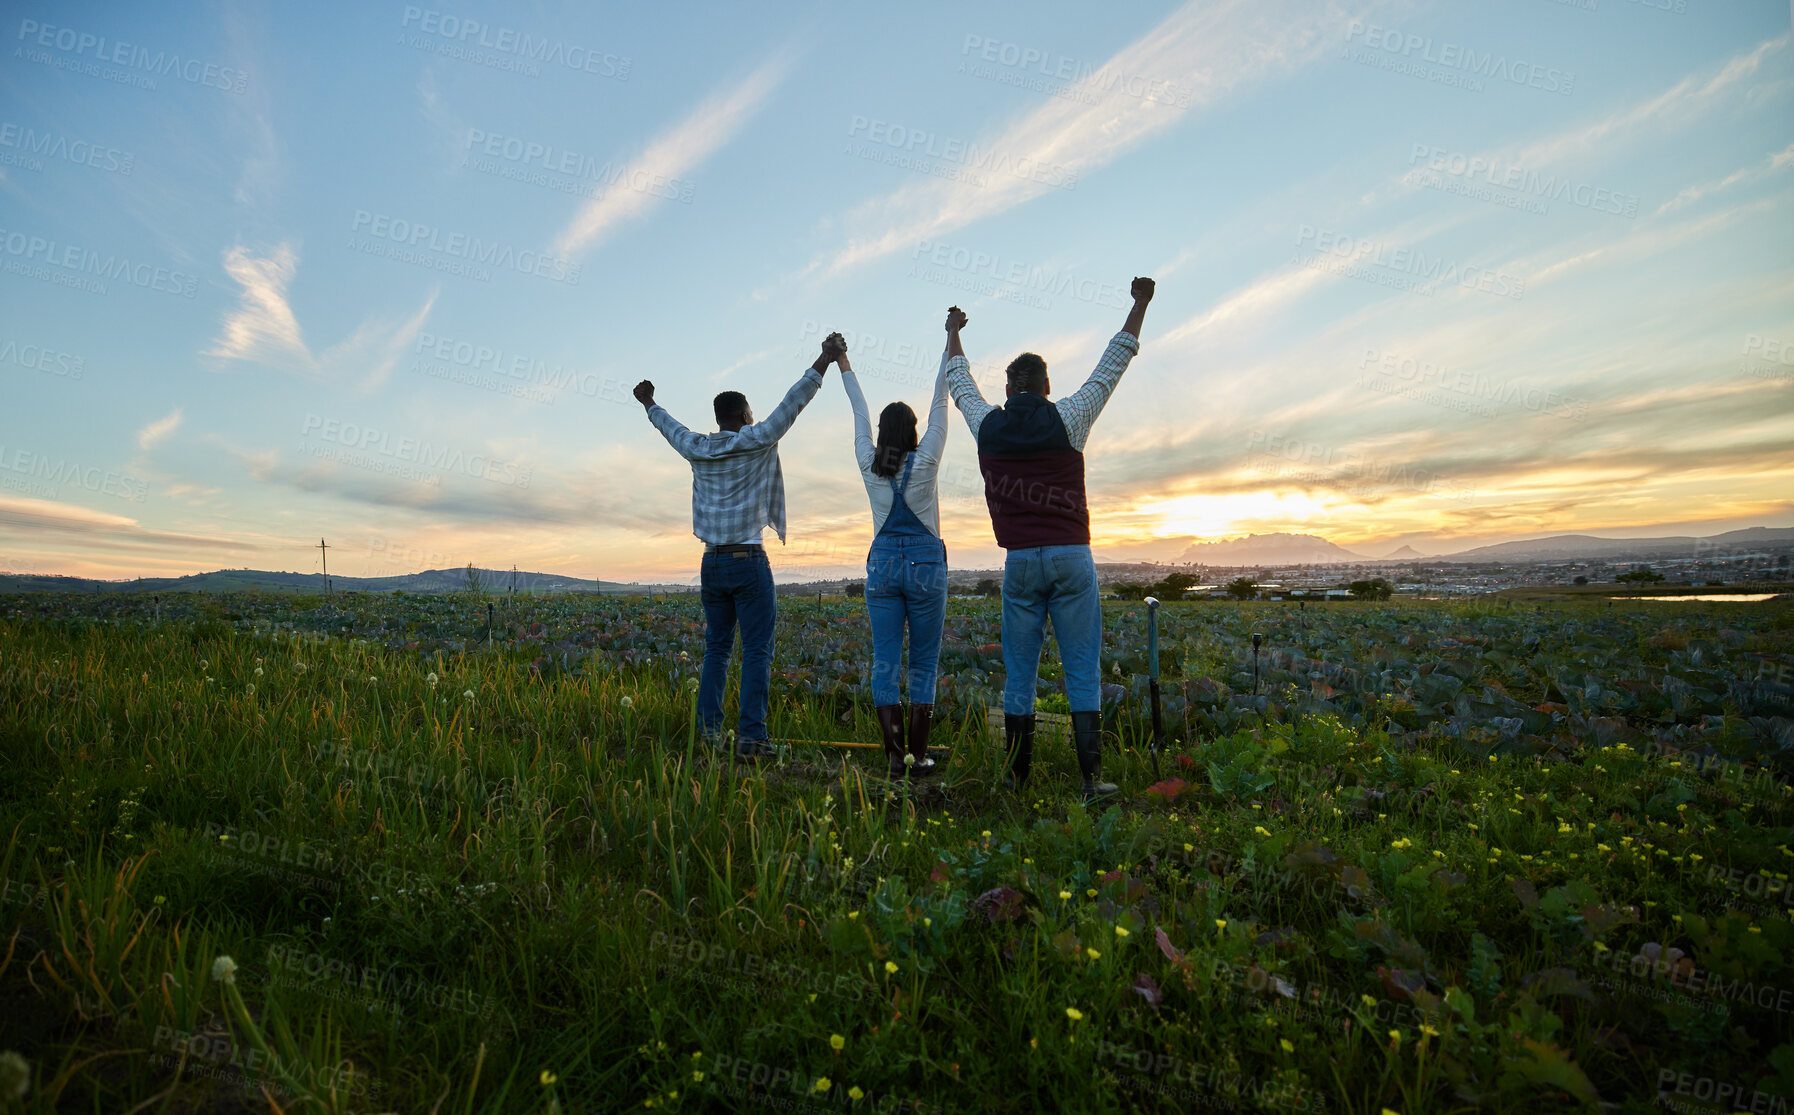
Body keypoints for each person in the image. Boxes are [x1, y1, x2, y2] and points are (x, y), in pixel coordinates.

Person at [946, 277, 1155, 802]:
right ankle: (1090, 782)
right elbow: (1114, 364)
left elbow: (959, 384)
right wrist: (1139, 303)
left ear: (1010, 389)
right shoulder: (1070, 416)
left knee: (1019, 676)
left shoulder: (987, 426)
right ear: (1044, 386)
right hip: (1071, 558)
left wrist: (953, 333)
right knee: (1081, 669)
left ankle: (1017, 783)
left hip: (1019, 562)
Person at [633, 333, 844, 759]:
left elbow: (668, 427)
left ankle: (710, 735)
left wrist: (648, 403)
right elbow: (795, 401)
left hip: (711, 564)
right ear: (746, 416)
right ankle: (752, 739)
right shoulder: (756, 439)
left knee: (717, 648)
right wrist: (825, 357)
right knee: (757, 651)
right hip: (749, 562)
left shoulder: (697, 447)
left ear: (718, 418)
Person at [838, 307, 960, 779]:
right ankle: (920, 755)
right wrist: (949, 336)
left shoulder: (869, 463)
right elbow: (940, 403)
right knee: (924, 661)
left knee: (885, 659)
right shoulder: (926, 458)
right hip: (928, 567)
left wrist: (845, 363)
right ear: (911, 433)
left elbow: (858, 412)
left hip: (884, 567)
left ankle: (893, 757)